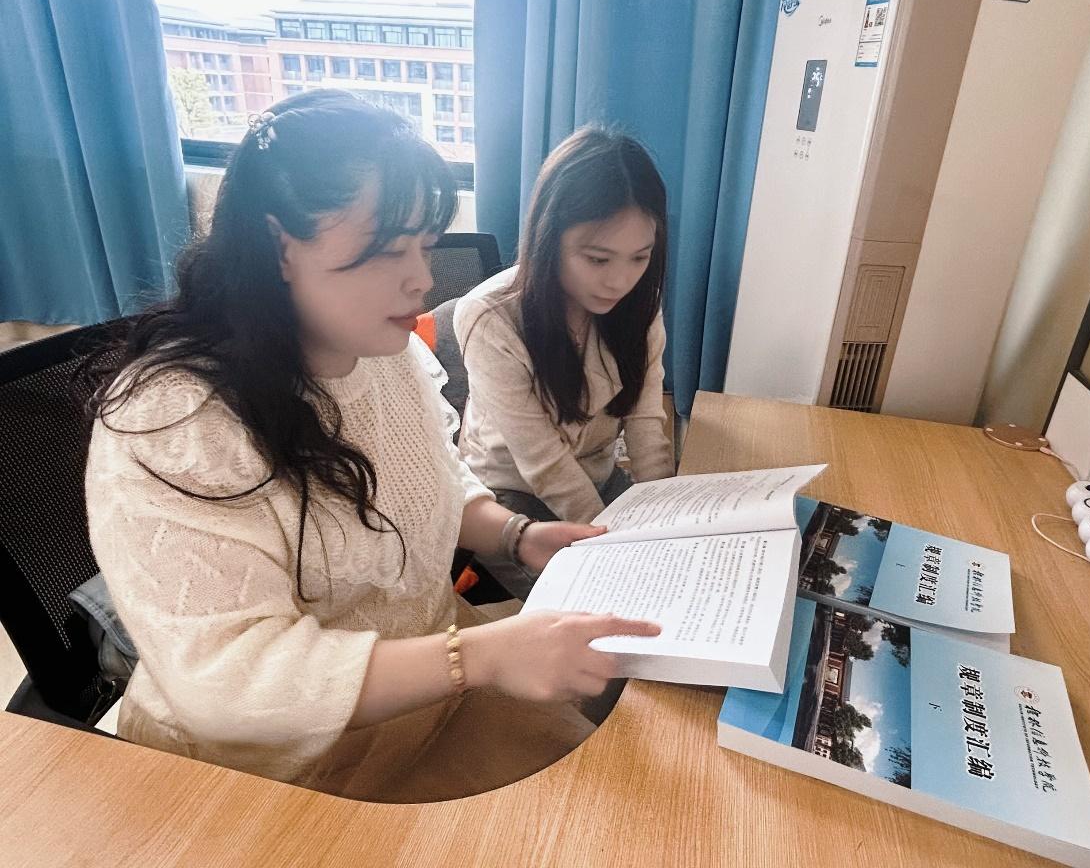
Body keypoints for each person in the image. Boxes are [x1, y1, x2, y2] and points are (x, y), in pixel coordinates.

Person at [84, 91, 659, 803]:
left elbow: (432, 482)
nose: (423, 278)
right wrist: (476, 656)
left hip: (430, 703)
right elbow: (228, 681)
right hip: (270, 776)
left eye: (424, 245)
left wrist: (517, 534)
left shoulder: (381, 353)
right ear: (279, 246)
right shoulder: (176, 422)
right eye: (389, 251)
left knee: (644, 783)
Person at [454, 127, 675, 596]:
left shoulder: (640, 305)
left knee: (673, 573)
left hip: (596, 478)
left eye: (639, 258)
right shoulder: (491, 317)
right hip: (510, 494)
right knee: (608, 596)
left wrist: (664, 514)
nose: (620, 281)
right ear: (550, 237)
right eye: (597, 259)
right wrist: (610, 544)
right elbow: (543, 462)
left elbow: (646, 424)